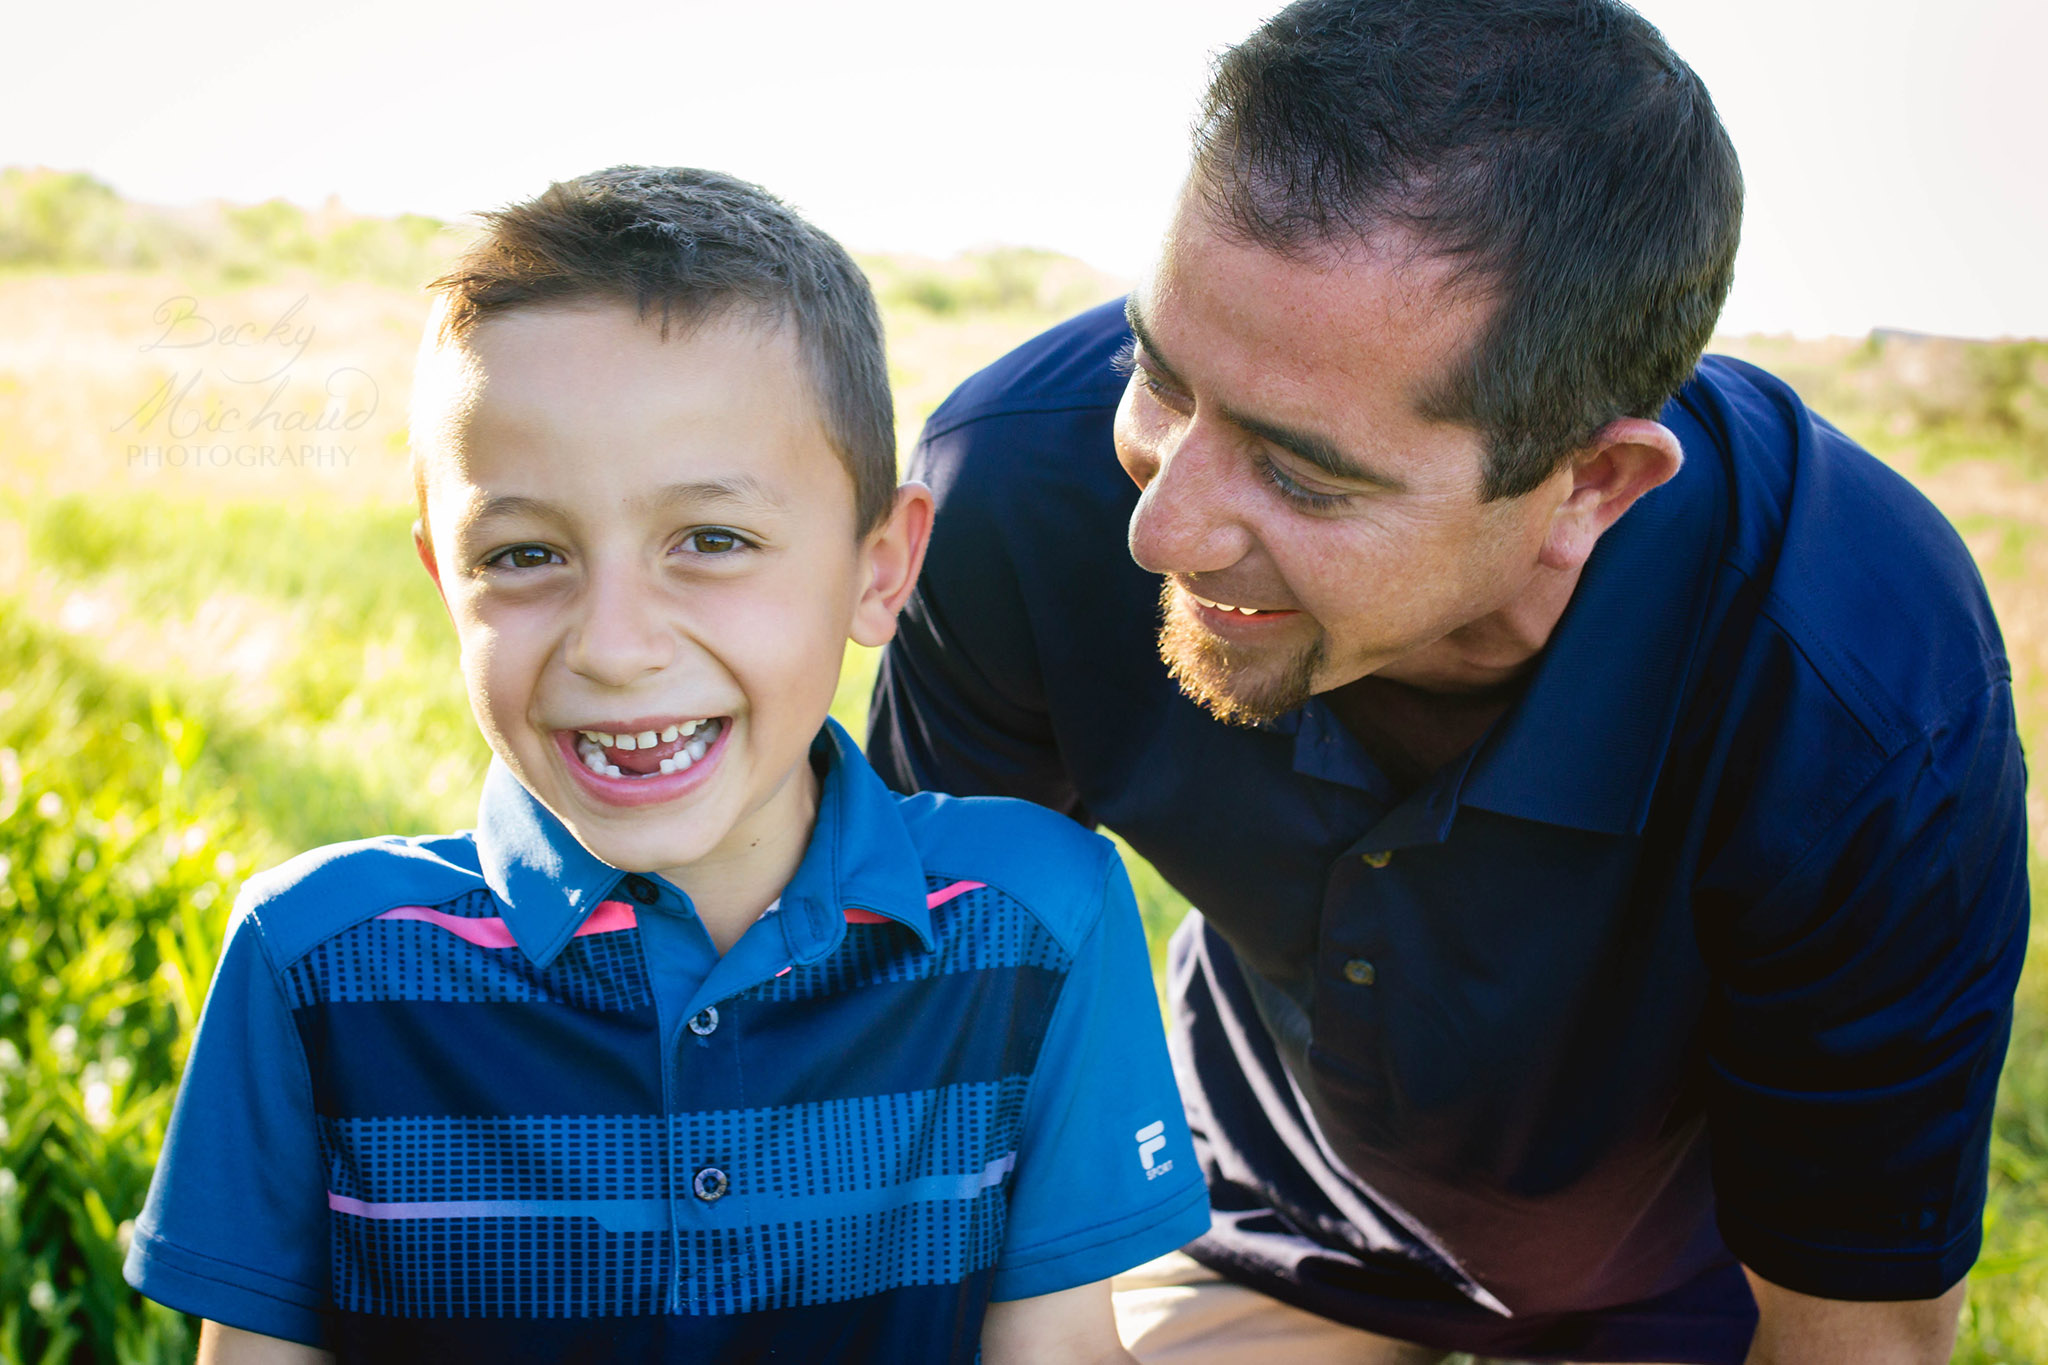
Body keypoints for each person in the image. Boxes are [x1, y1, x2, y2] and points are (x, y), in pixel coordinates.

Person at [867, 2, 2031, 1362]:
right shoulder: (1013, 492)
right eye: (1161, 379)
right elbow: (907, 1067)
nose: (1161, 530)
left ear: (1589, 485)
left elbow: (1861, 1333)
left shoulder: (1864, 696)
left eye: (1304, 474)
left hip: (1708, 1307)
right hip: (1254, 1217)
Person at [123, 166, 1209, 1364]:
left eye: (710, 540)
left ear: (878, 569)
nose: (615, 646)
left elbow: (1051, 1350)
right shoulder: (315, 962)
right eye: (527, 553)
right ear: (445, 577)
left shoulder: (1036, 920)